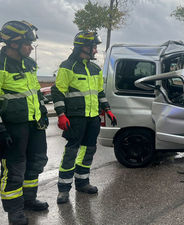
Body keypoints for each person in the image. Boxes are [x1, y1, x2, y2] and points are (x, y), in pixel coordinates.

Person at [51, 31, 117, 204]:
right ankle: (63, 189)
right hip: (75, 118)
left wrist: (107, 109)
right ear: (84, 47)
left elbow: (99, 92)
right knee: (71, 151)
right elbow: (58, 91)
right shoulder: (67, 66)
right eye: (94, 47)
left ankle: (82, 182)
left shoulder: (95, 68)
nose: (96, 51)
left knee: (89, 150)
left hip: (93, 117)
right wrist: (61, 114)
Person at [0, 20, 49, 225]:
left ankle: (29, 200)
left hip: (34, 124)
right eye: (28, 43)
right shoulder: (1, 65)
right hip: (13, 127)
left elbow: (35, 91)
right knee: (14, 169)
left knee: (35, 163)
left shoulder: (29, 64)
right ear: (13, 44)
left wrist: (43, 111)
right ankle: (14, 212)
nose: (31, 47)